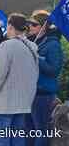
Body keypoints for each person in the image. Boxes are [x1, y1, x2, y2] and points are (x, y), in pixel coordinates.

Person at [0, 13, 39, 146]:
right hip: (23, 103)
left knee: (0, 141)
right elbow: (34, 75)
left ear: (10, 26)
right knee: (18, 141)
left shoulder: (7, 46)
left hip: (4, 104)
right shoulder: (33, 47)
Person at [27, 10, 64, 146]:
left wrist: (37, 58)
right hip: (30, 93)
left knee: (41, 131)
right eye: (29, 23)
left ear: (44, 27)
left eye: (34, 24)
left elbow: (54, 70)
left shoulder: (53, 44)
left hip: (43, 94)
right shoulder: (32, 41)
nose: (29, 26)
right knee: (29, 130)